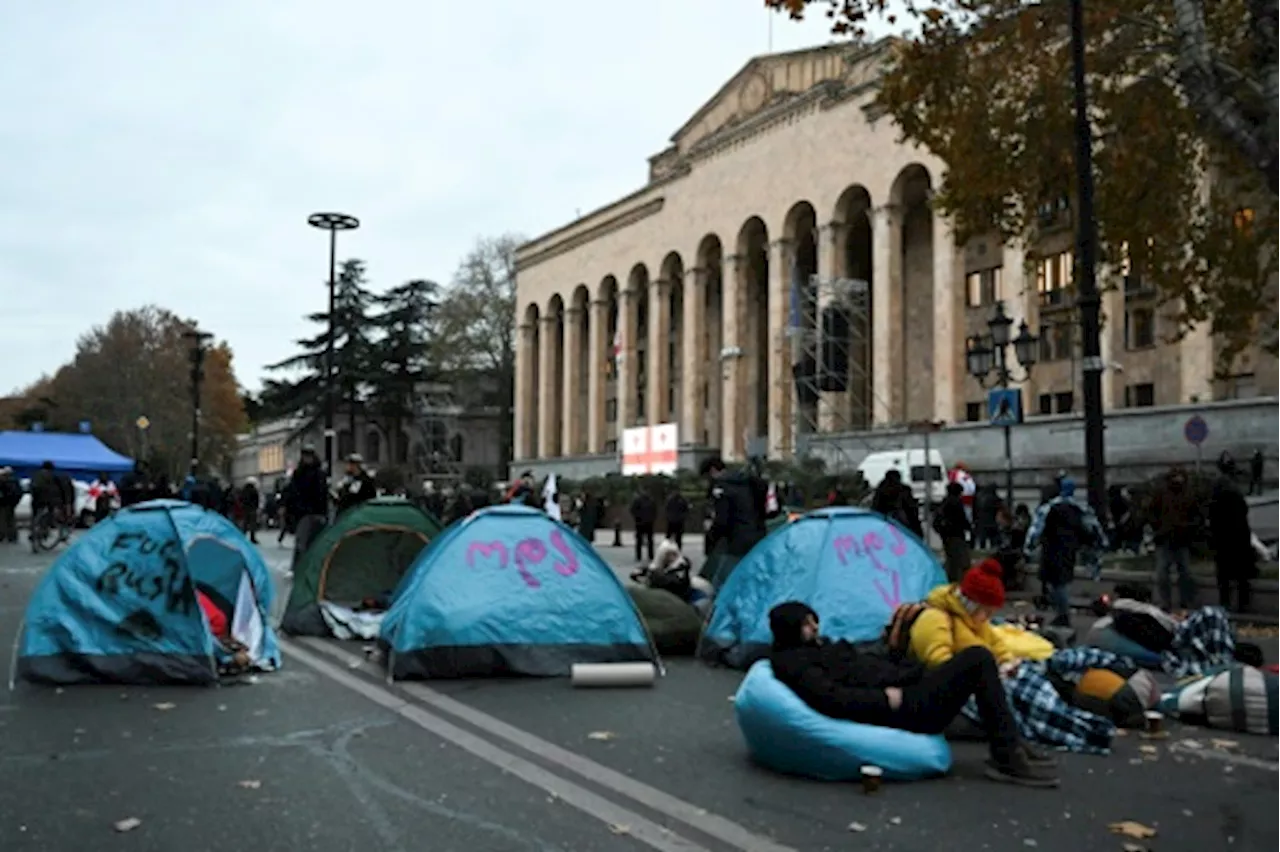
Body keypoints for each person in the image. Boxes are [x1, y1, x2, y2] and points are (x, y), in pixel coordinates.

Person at [768, 601, 1059, 787]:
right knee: (978, 659)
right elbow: (831, 698)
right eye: (807, 624)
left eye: (813, 620)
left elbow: (864, 665)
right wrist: (884, 699)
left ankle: (1010, 742)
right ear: (793, 629)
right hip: (905, 707)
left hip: (909, 686)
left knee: (978, 663)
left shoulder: (817, 649)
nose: (815, 626)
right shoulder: (797, 663)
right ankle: (1007, 754)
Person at [1024, 478, 1106, 626]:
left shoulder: (1049, 508)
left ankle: (1063, 615)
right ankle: (1062, 613)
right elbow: (1092, 529)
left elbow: (1035, 530)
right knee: (1061, 582)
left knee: (1055, 584)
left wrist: (1029, 547)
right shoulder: (1080, 508)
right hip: (1069, 550)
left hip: (1051, 549)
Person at [909, 559, 1018, 667]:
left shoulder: (975, 621)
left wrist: (1006, 660)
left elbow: (995, 643)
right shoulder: (935, 617)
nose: (988, 617)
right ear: (971, 605)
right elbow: (937, 660)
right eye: (987, 612)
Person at [700, 456, 767, 587]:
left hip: (736, 541)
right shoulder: (745, 482)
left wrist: (711, 539)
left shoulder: (722, 488)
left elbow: (722, 520)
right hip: (757, 535)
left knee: (721, 583)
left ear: (713, 471)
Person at [1149, 466, 1200, 611]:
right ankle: (1167, 602)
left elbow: (1196, 515)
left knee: (1185, 573)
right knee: (1163, 574)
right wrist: (1158, 528)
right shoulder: (1162, 494)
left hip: (1181, 539)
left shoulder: (1188, 495)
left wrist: (1188, 527)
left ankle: (1185, 601)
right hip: (1165, 538)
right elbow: (1151, 512)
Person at [1209, 460, 1256, 612]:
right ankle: (1242, 604)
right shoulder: (1234, 494)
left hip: (1223, 539)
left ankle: (1226, 603)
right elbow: (1243, 513)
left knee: (1224, 576)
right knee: (1240, 575)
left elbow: (1212, 517)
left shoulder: (1217, 494)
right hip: (1237, 538)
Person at [287, 446, 330, 571]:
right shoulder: (299, 473)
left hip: (316, 512)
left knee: (315, 541)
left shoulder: (319, 473)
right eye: (305, 456)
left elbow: (323, 493)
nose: (307, 458)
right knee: (302, 542)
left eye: (309, 456)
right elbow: (293, 493)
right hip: (305, 513)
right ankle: (298, 567)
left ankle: (313, 567)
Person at [934, 481, 973, 581]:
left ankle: (951, 578)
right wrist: (970, 528)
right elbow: (961, 519)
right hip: (956, 534)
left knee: (951, 558)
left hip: (946, 535)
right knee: (960, 559)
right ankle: (958, 580)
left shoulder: (944, 502)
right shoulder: (956, 503)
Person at [870, 469, 923, 538]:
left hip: (885, 523)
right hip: (901, 525)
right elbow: (912, 509)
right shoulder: (903, 490)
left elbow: (875, 508)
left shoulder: (881, 490)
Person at [630, 488, 657, 564]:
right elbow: (633, 510)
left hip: (646, 523)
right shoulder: (639, 501)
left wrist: (652, 518)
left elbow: (655, 511)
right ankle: (640, 556)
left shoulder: (650, 501)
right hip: (641, 523)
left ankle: (649, 556)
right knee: (640, 540)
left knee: (649, 540)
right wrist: (637, 518)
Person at [0, 468, 21, 543]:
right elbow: (19, 493)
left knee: (3, 519)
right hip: (12, 503)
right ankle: (12, 536)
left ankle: (2, 535)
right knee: (11, 519)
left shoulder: (3, 482)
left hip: (4, 502)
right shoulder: (15, 481)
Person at [240, 477, 261, 543]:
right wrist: (256, 507)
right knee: (252, 524)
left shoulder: (243, 490)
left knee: (245, 524)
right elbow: (257, 500)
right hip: (252, 509)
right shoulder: (254, 490)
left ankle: (242, 536)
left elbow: (241, 499)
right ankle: (252, 538)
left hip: (245, 509)